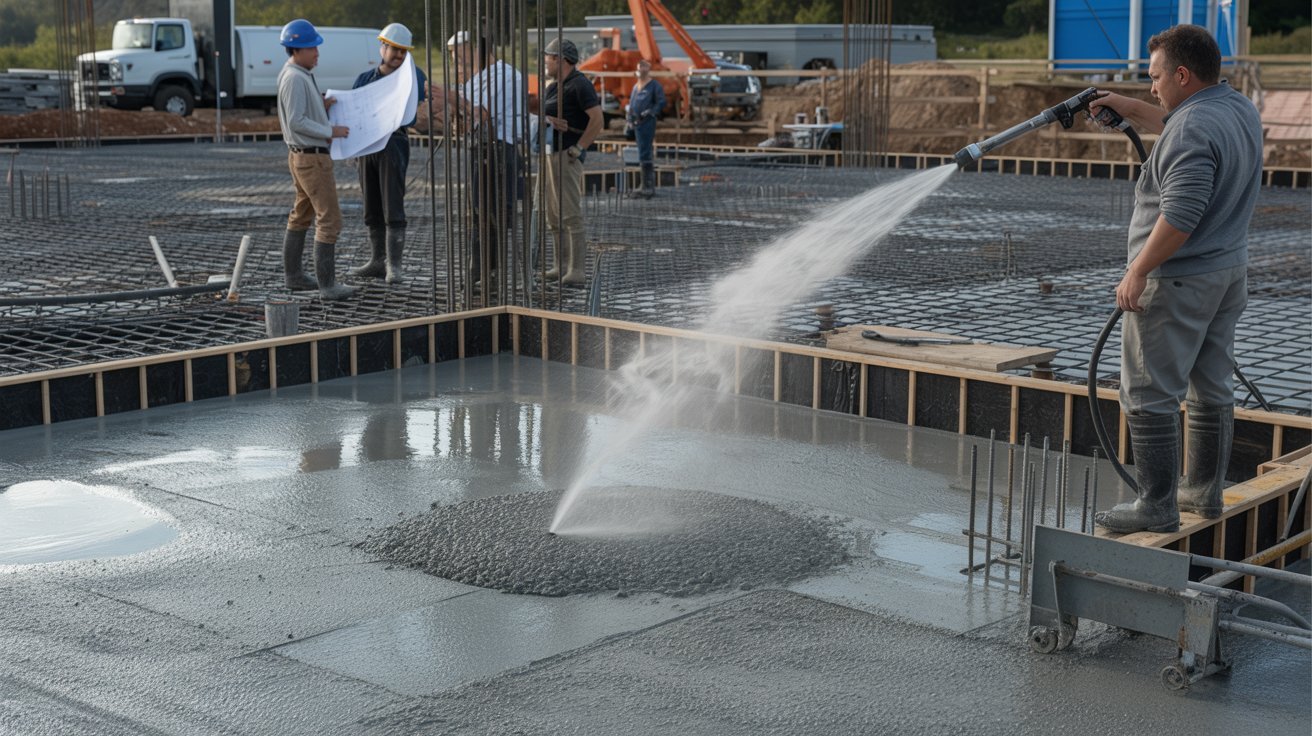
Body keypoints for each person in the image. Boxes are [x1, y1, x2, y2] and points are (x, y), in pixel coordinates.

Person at [1089, 24, 1262, 534]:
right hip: (1225, 273)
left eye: (1157, 76)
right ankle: (1203, 494)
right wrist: (1125, 105)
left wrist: (1137, 271)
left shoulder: (1189, 129)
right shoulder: (1236, 108)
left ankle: (1156, 504)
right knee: (1211, 384)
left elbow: (1181, 214)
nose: (1152, 87)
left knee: (1147, 392)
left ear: (1183, 75)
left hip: (1177, 279)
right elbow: (1177, 120)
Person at [438, 31, 526, 293]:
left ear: (475, 49)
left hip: (500, 152)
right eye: (454, 57)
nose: (457, 62)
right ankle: (480, 272)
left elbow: (481, 114)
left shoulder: (504, 76)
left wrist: (455, 100)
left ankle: (492, 274)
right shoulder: (477, 79)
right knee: (479, 212)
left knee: (494, 214)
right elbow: (467, 123)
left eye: (460, 55)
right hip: (482, 150)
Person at [276, 18, 355, 301]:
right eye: (313, 48)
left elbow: (297, 113)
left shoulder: (296, 73)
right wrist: (329, 130)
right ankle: (328, 286)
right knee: (330, 219)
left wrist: (320, 107)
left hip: (301, 157)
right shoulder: (295, 77)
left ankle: (294, 276)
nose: (317, 53)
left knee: (302, 215)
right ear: (297, 49)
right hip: (312, 159)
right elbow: (296, 121)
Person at [349, 22, 426, 285]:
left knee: (392, 204)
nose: (399, 56)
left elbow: (421, 112)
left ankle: (394, 265)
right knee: (372, 205)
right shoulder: (364, 80)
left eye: (404, 52)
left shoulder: (413, 77)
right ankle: (377, 261)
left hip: (393, 145)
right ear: (382, 47)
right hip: (367, 149)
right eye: (395, 50)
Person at [534, 37, 602, 286]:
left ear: (560, 59)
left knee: (570, 214)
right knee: (553, 213)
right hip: (550, 153)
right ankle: (560, 265)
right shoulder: (555, 86)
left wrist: (578, 148)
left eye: (548, 58)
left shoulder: (580, 85)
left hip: (565, 156)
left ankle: (577, 270)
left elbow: (597, 120)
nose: (545, 63)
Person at [625, 59, 665, 199]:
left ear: (647, 69)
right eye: (639, 67)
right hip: (637, 124)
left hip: (647, 122)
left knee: (645, 152)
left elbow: (661, 102)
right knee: (642, 152)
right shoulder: (636, 87)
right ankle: (644, 185)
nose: (640, 70)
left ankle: (648, 186)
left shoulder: (654, 85)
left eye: (643, 67)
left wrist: (651, 112)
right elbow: (631, 104)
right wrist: (629, 118)